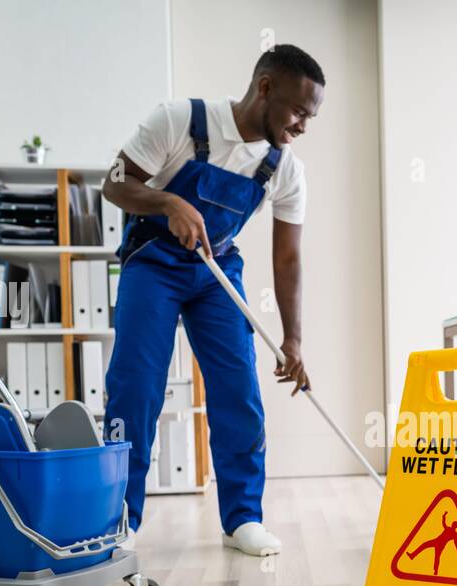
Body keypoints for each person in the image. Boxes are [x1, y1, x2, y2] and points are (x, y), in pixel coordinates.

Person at [101, 44, 325, 556]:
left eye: (311, 117)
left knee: (238, 391)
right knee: (136, 388)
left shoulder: (284, 169)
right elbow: (114, 184)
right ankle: (119, 518)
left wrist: (293, 340)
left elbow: (288, 259)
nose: (303, 126)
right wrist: (166, 201)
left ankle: (243, 517)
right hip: (153, 263)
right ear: (264, 88)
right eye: (298, 111)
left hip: (216, 270)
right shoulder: (179, 120)